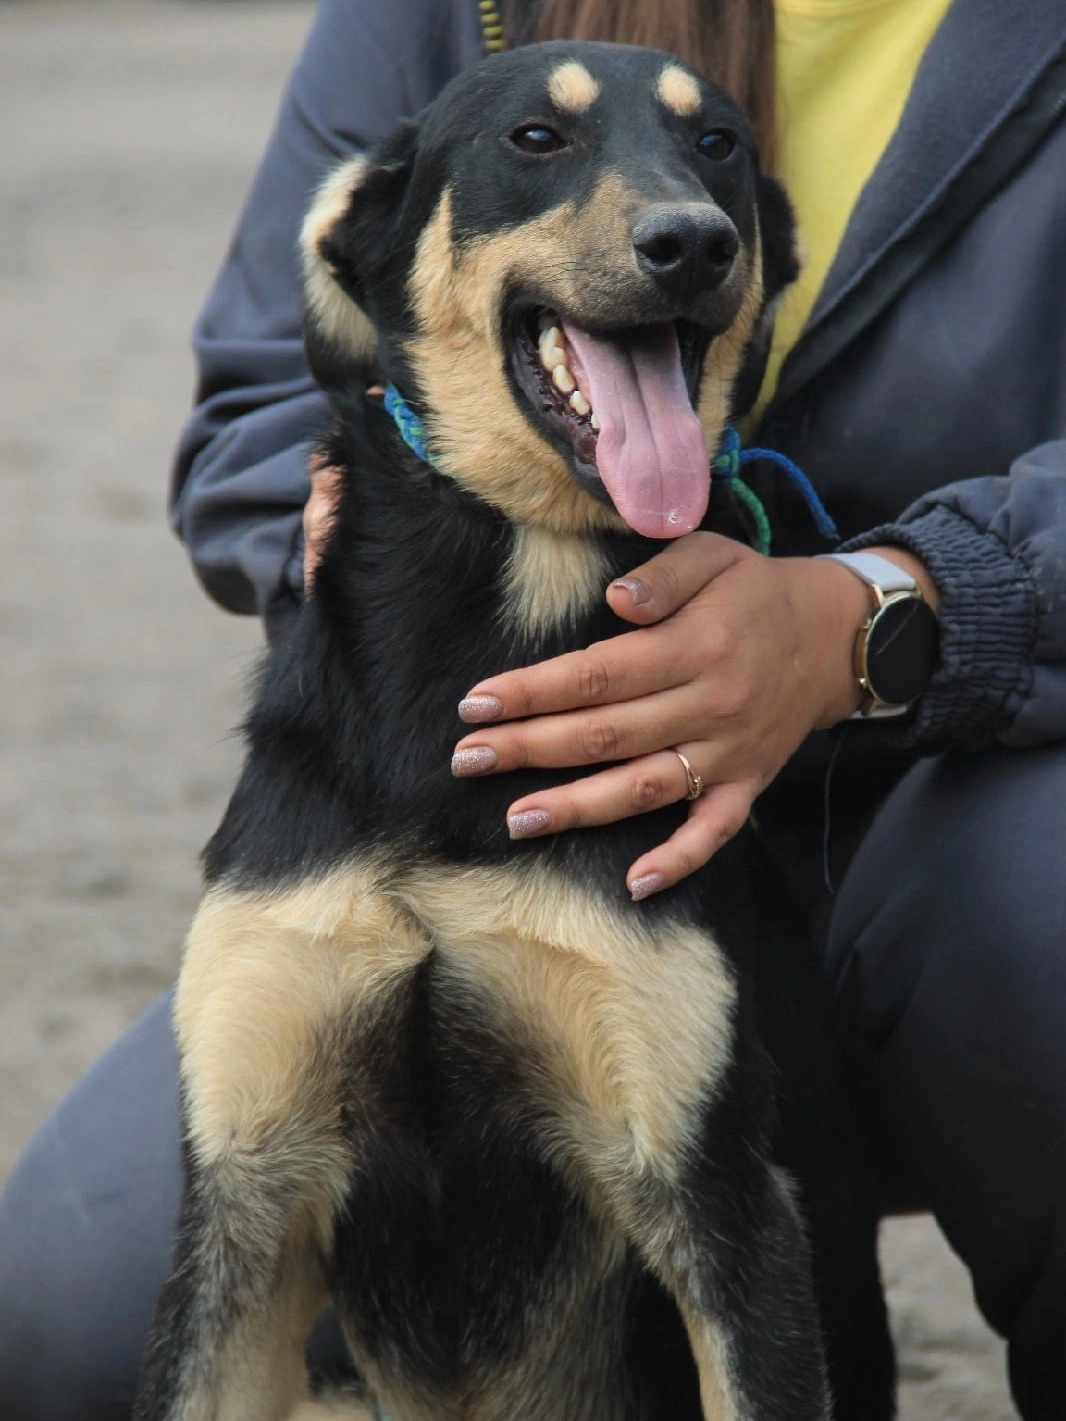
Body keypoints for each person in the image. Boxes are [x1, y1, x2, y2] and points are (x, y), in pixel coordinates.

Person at [2, 1, 1065, 1418]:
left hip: (967, 780)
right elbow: (266, 389)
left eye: (712, 167)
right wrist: (346, 521)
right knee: (64, 1320)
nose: (685, 222)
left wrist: (894, 604)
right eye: (538, 141)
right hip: (430, 757)